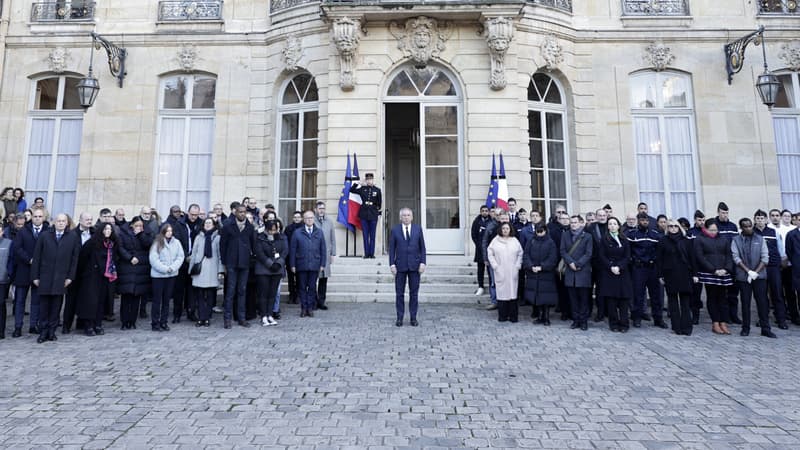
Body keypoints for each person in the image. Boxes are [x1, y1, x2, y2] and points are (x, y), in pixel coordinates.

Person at [30, 214, 80, 343]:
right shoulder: (45, 236)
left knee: (56, 307)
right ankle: (43, 332)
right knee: (44, 306)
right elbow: (37, 257)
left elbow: (75, 259)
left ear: (67, 223)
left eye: (64, 221)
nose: (61, 223)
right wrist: (35, 276)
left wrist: (70, 277)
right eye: (59, 221)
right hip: (45, 277)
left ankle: (52, 331)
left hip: (61, 278)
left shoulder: (72, 237)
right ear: (54, 222)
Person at [731, 218, 776, 338]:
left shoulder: (760, 239)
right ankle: (745, 328)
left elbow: (765, 257)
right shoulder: (736, 240)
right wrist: (748, 272)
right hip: (743, 277)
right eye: (745, 226)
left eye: (750, 226)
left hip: (759, 276)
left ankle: (765, 328)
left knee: (762, 302)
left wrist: (755, 272)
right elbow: (736, 257)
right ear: (741, 228)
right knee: (745, 303)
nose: (748, 228)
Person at [626, 212, 667, 329]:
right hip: (638, 268)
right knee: (638, 294)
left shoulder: (655, 235)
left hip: (652, 267)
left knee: (656, 295)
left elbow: (660, 252)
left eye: (646, 220)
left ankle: (658, 319)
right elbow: (628, 251)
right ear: (638, 221)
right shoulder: (632, 234)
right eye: (642, 220)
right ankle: (637, 318)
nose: (645, 222)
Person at [77, 223, 119, 337]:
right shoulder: (92, 243)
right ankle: (88, 325)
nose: (108, 231)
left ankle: (98, 323)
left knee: (101, 301)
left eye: (110, 229)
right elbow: (82, 259)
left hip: (105, 276)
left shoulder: (112, 244)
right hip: (91, 276)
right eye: (106, 228)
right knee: (90, 301)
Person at [657, 219, 696, 336]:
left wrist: (695, 274)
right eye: (670, 226)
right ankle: (676, 327)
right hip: (670, 274)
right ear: (667, 228)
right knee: (673, 301)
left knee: (685, 301)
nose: (673, 228)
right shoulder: (663, 241)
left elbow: (692, 258)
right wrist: (660, 275)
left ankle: (687, 327)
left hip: (684, 273)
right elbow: (659, 260)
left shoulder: (686, 241)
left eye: (675, 226)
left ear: (679, 227)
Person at [12, 207, 48, 337]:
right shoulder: (23, 231)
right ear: (31, 218)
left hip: (39, 271)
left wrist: (38, 262)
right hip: (24, 269)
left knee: (36, 301)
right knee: (20, 301)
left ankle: (33, 325)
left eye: (40, 216)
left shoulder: (48, 231)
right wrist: (29, 259)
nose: (37, 219)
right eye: (35, 216)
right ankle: (18, 327)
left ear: (43, 218)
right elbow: (17, 248)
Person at [695, 218, 734, 335]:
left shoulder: (723, 239)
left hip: (723, 272)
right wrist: (713, 270)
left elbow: (728, 254)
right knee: (712, 297)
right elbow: (700, 257)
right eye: (711, 230)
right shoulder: (700, 239)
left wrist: (726, 269)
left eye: (715, 230)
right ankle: (715, 322)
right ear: (706, 229)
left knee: (723, 298)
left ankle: (723, 322)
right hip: (710, 273)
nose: (713, 232)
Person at [388, 207, 426, 327]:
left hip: (415, 266)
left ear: (412, 217)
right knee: (399, 294)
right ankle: (399, 318)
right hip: (400, 266)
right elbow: (392, 249)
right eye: (404, 215)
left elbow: (422, 248)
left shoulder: (417, 229)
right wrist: (392, 264)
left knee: (414, 294)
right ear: (400, 217)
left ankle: (413, 318)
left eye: (408, 215)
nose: (406, 217)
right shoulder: (395, 230)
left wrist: (423, 263)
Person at [220, 205, 255, 328]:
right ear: (235, 213)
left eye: (244, 212)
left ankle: (241, 317)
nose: (242, 214)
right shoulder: (228, 226)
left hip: (244, 263)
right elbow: (222, 245)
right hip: (231, 263)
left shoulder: (250, 228)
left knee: (242, 290)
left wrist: (251, 261)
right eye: (240, 212)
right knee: (230, 291)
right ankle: (227, 319)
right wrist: (224, 262)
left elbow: (253, 245)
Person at [753, 209, 788, 330]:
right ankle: (763, 319)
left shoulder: (773, 232)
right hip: (759, 267)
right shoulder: (751, 233)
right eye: (758, 218)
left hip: (773, 266)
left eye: (762, 218)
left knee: (777, 293)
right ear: (755, 220)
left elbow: (780, 249)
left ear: (766, 219)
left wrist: (781, 262)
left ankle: (781, 319)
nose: (760, 220)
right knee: (761, 295)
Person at [116, 217, 153, 330]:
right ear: (131, 225)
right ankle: (124, 321)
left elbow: (148, 244)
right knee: (126, 297)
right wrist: (129, 258)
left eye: (141, 226)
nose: (139, 227)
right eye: (136, 225)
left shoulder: (146, 234)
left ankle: (132, 321)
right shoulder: (123, 233)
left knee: (136, 297)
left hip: (140, 269)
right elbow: (120, 248)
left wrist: (140, 234)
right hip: (127, 268)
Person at [598, 217, 633, 333]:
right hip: (609, 272)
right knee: (611, 300)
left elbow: (627, 256)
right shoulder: (604, 240)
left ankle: (624, 324)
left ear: (618, 226)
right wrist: (611, 266)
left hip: (622, 272)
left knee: (623, 300)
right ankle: (613, 324)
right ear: (608, 227)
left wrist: (619, 266)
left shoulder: (624, 239)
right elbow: (602, 256)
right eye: (610, 224)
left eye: (614, 223)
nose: (612, 226)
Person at [290, 210, 327, 318]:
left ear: (313, 219)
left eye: (311, 218)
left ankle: (310, 308)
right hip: (301, 264)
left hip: (314, 264)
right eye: (307, 218)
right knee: (301, 287)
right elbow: (293, 249)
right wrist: (292, 265)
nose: (309, 220)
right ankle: (303, 308)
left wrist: (322, 264)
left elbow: (323, 249)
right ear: (303, 219)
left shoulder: (319, 232)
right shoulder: (297, 232)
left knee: (311, 287)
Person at [62, 212, 93, 334]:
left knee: (86, 299)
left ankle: (83, 323)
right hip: (74, 271)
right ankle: (66, 325)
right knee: (71, 300)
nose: (89, 222)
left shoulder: (94, 233)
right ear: (80, 220)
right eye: (87, 219)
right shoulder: (72, 234)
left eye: (91, 219)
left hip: (88, 272)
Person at [149, 224, 184, 331]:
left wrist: (172, 268)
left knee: (166, 300)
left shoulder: (176, 242)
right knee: (157, 300)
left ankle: (164, 322)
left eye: (171, 231)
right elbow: (153, 259)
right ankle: (155, 323)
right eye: (167, 231)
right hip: (159, 276)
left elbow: (180, 256)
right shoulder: (157, 243)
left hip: (171, 275)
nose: (169, 233)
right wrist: (165, 269)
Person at [561, 215, 593, 330]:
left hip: (583, 270)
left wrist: (578, 264)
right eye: (571, 222)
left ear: (580, 223)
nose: (573, 224)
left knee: (584, 298)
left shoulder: (588, 236)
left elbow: (588, 253)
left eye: (575, 222)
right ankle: (576, 320)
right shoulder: (565, 235)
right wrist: (571, 263)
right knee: (572, 298)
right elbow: (563, 251)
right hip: (570, 270)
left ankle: (583, 321)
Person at [189, 218, 223, 327]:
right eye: (206, 223)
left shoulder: (217, 238)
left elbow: (220, 256)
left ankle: (207, 318)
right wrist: (191, 269)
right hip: (200, 270)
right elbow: (193, 254)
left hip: (212, 270)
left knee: (210, 296)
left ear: (214, 225)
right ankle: (201, 317)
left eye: (210, 223)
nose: (208, 225)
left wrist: (220, 271)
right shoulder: (199, 237)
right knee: (199, 296)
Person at [254, 220, 288, 327]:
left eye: (275, 230)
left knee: (273, 294)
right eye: (271, 230)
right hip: (263, 269)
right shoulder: (260, 238)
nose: (273, 232)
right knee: (264, 293)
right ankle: (263, 315)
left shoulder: (281, 237)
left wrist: (279, 263)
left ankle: (270, 314)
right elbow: (259, 253)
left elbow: (285, 251)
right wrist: (270, 264)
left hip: (277, 269)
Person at [522, 223, 557, 325]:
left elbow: (552, 258)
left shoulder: (550, 243)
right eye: (538, 231)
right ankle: (539, 316)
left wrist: (542, 267)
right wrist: (530, 266)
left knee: (545, 297)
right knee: (536, 296)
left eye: (541, 231)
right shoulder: (531, 241)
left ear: (545, 231)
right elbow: (526, 255)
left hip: (546, 274)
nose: (540, 233)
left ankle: (546, 317)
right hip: (533, 273)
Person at [715, 202, 740, 324]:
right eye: (722, 212)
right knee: (720, 292)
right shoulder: (714, 225)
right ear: (718, 212)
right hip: (720, 262)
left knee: (733, 291)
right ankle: (723, 316)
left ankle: (733, 315)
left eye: (726, 212)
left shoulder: (733, 226)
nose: (725, 215)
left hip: (732, 263)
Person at [481, 208, 509, 310]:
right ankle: (494, 301)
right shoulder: (490, 226)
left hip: (506, 260)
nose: (498, 216)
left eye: (500, 214)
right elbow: (485, 242)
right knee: (493, 282)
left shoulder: (508, 227)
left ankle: (505, 301)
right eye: (496, 214)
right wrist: (486, 258)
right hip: (493, 259)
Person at [350, 173, 382, 259]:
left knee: (372, 235)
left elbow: (379, 204)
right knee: (365, 235)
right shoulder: (362, 189)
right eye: (367, 179)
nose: (369, 181)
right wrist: (358, 183)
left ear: (373, 180)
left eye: (370, 179)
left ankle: (372, 253)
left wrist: (376, 211)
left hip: (373, 214)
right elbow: (351, 190)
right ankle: (366, 254)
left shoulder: (377, 190)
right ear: (366, 180)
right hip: (364, 214)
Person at [777, 209, 799, 325]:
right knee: (793, 293)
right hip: (794, 267)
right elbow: (789, 251)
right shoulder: (791, 234)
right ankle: (795, 316)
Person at [586, 208, 608, 322]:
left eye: (604, 215)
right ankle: (588, 311)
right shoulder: (590, 228)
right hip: (592, 263)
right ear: (596, 216)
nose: (602, 217)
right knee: (589, 289)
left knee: (602, 290)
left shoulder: (611, 226)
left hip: (606, 265)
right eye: (599, 215)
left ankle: (602, 312)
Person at [314, 201, 336, 310]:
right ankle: (314, 301)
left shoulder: (329, 222)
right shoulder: (312, 221)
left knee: (323, 280)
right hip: (314, 255)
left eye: (323, 208)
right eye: (319, 208)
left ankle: (321, 302)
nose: (321, 210)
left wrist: (333, 253)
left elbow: (333, 239)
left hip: (326, 255)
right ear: (316, 210)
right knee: (313, 279)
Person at [470, 205, 491, 296]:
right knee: (480, 269)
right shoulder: (476, 222)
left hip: (490, 250)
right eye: (483, 211)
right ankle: (480, 286)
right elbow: (473, 235)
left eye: (486, 211)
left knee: (490, 270)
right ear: (480, 212)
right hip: (479, 249)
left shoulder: (492, 221)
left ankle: (492, 287)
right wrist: (479, 245)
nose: (485, 212)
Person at [284, 211, 303, 304]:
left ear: (301, 218)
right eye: (295, 217)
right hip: (289, 256)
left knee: (299, 278)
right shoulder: (288, 228)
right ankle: (292, 295)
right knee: (290, 278)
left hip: (300, 257)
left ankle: (299, 295)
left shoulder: (304, 228)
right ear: (292, 218)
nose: (296, 219)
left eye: (298, 217)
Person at [0, 222, 13, 339]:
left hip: (2, 280)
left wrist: (9, 274)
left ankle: (1, 331)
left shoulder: (8, 243)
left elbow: (11, 260)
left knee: (1, 304)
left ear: (2, 231)